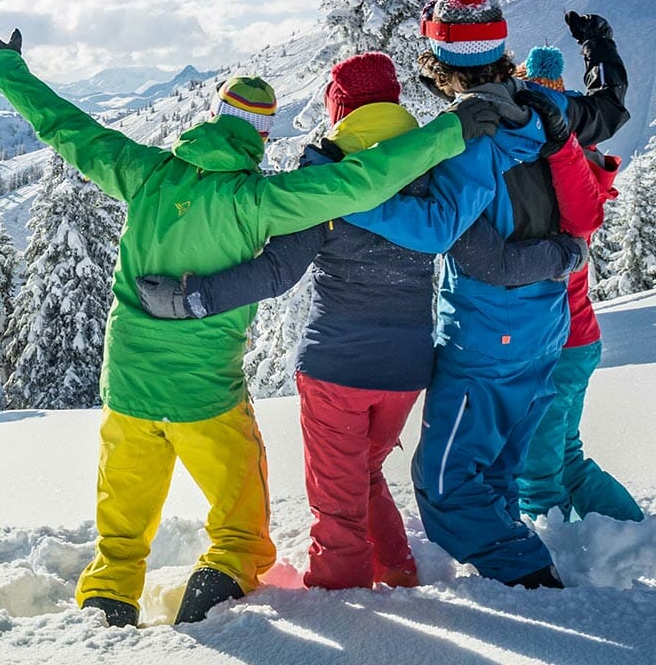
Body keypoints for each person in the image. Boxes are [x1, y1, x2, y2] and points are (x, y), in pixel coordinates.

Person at [0, 24, 510, 628]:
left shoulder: (144, 173)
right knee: (242, 529)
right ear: (263, 134)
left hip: (127, 388)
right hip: (207, 397)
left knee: (121, 528)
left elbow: (66, 128)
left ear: (211, 117)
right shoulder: (262, 201)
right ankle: (220, 581)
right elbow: (362, 181)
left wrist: (4, 68)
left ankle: (109, 600)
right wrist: (451, 129)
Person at [134, 50, 580, 591]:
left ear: (338, 110)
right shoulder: (431, 166)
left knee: (335, 502)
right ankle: (396, 569)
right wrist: (562, 254)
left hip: (335, 369)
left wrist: (195, 297)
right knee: (366, 473)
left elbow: (277, 272)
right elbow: (476, 246)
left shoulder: (327, 180)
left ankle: (338, 596)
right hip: (408, 371)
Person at [343, 0, 630, 589]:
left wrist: (346, 194)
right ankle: (520, 570)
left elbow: (438, 228)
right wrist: (599, 48)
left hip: (489, 332)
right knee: (497, 465)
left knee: (444, 482)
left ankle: (527, 574)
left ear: (442, 64)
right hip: (546, 327)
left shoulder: (471, 135)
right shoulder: (543, 107)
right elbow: (606, 111)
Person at [513, 47, 644, 524]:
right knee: (568, 463)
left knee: (538, 475)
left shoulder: (556, 180)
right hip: (578, 341)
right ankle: (638, 536)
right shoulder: (582, 167)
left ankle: (553, 580)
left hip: (558, 344)